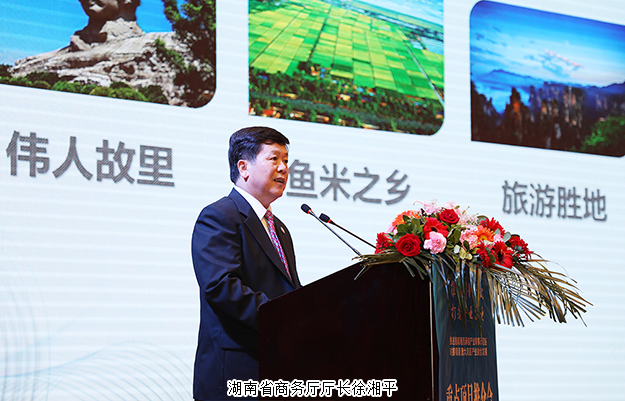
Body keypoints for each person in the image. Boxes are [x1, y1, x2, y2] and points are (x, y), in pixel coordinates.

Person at [191, 126, 302, 400]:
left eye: (286, 160)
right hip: (236, 372)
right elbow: (221, 288)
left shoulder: (280, 228)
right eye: (274, 159)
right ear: (244, 167)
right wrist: (283, 318)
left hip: (277, 370)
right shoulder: (219, 216)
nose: (283, 168)